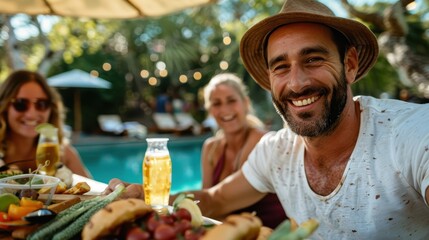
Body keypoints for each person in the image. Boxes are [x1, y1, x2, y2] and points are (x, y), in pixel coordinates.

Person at [105, 0, 429, 238]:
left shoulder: (411, 135)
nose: (297, 82)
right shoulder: (277, 151)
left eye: (313, 59)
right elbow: (216, 199)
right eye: (281, 67)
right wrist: (147, 199)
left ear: (350, 64)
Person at [200, 73, 286, 228]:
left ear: (246, 103)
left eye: (231, 100)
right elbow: (206, 206)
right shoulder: (210, 148)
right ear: (210, 110)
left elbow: (219, 204)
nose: (225, 109)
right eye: (216, 103)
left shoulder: (261, 141)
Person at [0, 70, 91, 178]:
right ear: (4, 107)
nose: (31, 114)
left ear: (51, 109)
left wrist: (114, 189)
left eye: (41, 104)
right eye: (20, 104)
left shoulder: (62, 152)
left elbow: (95, 192)